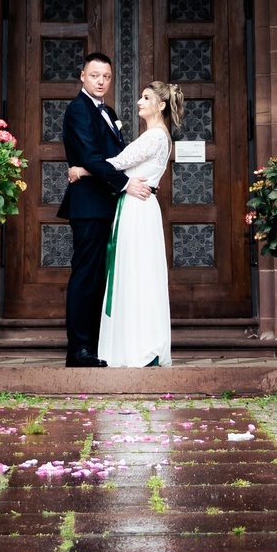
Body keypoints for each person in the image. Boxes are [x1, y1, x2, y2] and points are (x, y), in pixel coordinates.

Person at [59, 51, 151, 367]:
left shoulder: (107, 111)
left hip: (107, 203)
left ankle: (96, 344)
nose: (101, 81)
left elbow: (115, 158)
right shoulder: (78, 111)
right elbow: (91, 157)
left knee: (101, 277)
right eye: (95, 75)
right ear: (83, 76)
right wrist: (126, 184)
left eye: (106, 77)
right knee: (86, 275)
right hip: (88, 206)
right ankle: (78, 349)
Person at [80, 81, 175, 369]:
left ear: (161, 105)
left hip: (137, 208)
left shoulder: (155, 137)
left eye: (146, 98)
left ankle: (140, 347)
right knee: (138, 272)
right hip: (140, 206)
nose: (138, 102)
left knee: (136, 272)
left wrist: (80, 169)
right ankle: (142, 343)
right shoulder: (158, 136)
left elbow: (117, 162)